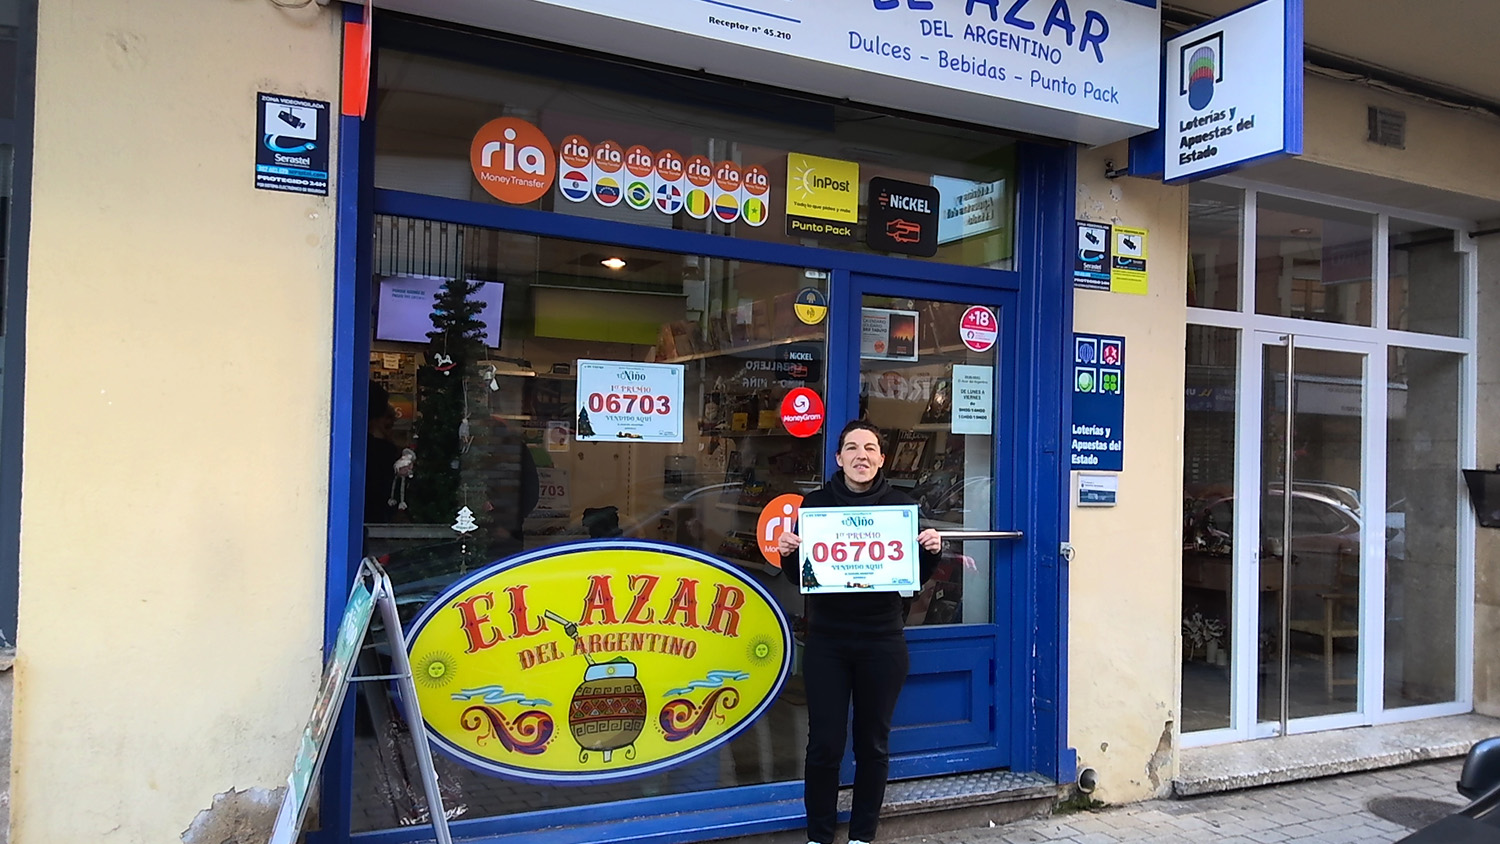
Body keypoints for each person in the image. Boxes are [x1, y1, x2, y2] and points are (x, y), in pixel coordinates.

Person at [778, 419, 943, 844]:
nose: (861, 456)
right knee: (825, 746)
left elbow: (912, 578)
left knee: (873, 745)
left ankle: (862, 836)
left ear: (881, 458)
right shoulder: (814, 505)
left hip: (882, 641)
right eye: (852, 448)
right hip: (828, 642)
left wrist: (930, 553)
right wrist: (788, 555)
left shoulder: (901, 506)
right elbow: (803, 579)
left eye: (870, 448)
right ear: (838, 458)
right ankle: (819, 836)